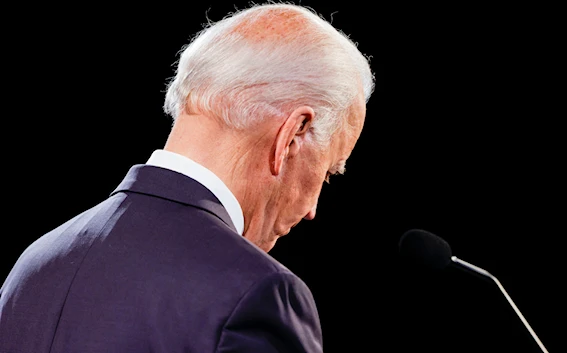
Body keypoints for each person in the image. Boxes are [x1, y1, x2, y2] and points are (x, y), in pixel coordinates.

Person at [0, 2, 374, 352]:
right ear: (292, 135)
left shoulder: (34, 265)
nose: (312, 209)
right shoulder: (258, 294)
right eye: (327, 171)